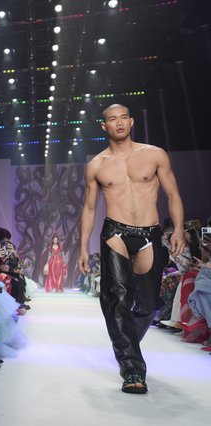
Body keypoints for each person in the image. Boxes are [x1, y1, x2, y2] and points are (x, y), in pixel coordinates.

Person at [77, 103, 185, 394]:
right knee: (118, 301)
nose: (119, 122)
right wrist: (83, 247)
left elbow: (173, 193)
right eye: (112, 119)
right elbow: (89, 208)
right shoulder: (97, 165)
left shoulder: (154, 154)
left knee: (149, 306)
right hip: (115, 232)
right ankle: (133, 370)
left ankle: (126, 345)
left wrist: (177, 228)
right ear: (104, 126)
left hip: (149, 233)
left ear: (132, 121)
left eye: (124, 117)